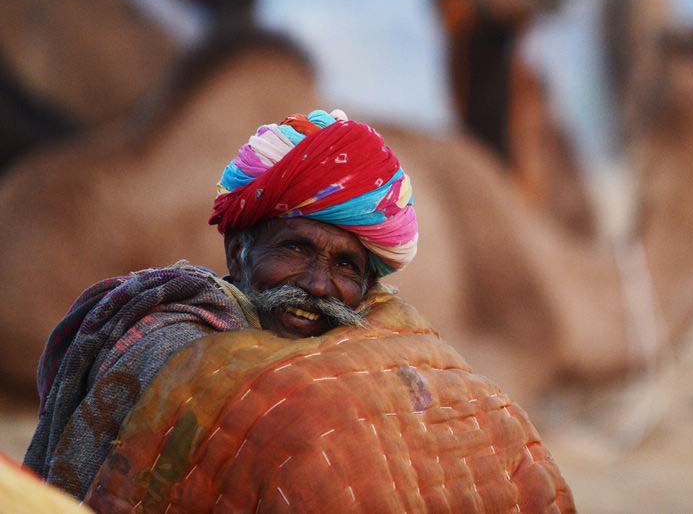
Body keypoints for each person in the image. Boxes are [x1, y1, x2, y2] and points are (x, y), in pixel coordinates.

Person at [24, 108, 419, 500]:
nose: (317, 285)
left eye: (346, 265)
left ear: (367, 286)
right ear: (237, 251)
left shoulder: (370, 363)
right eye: (296, 248)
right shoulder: (173, 346)